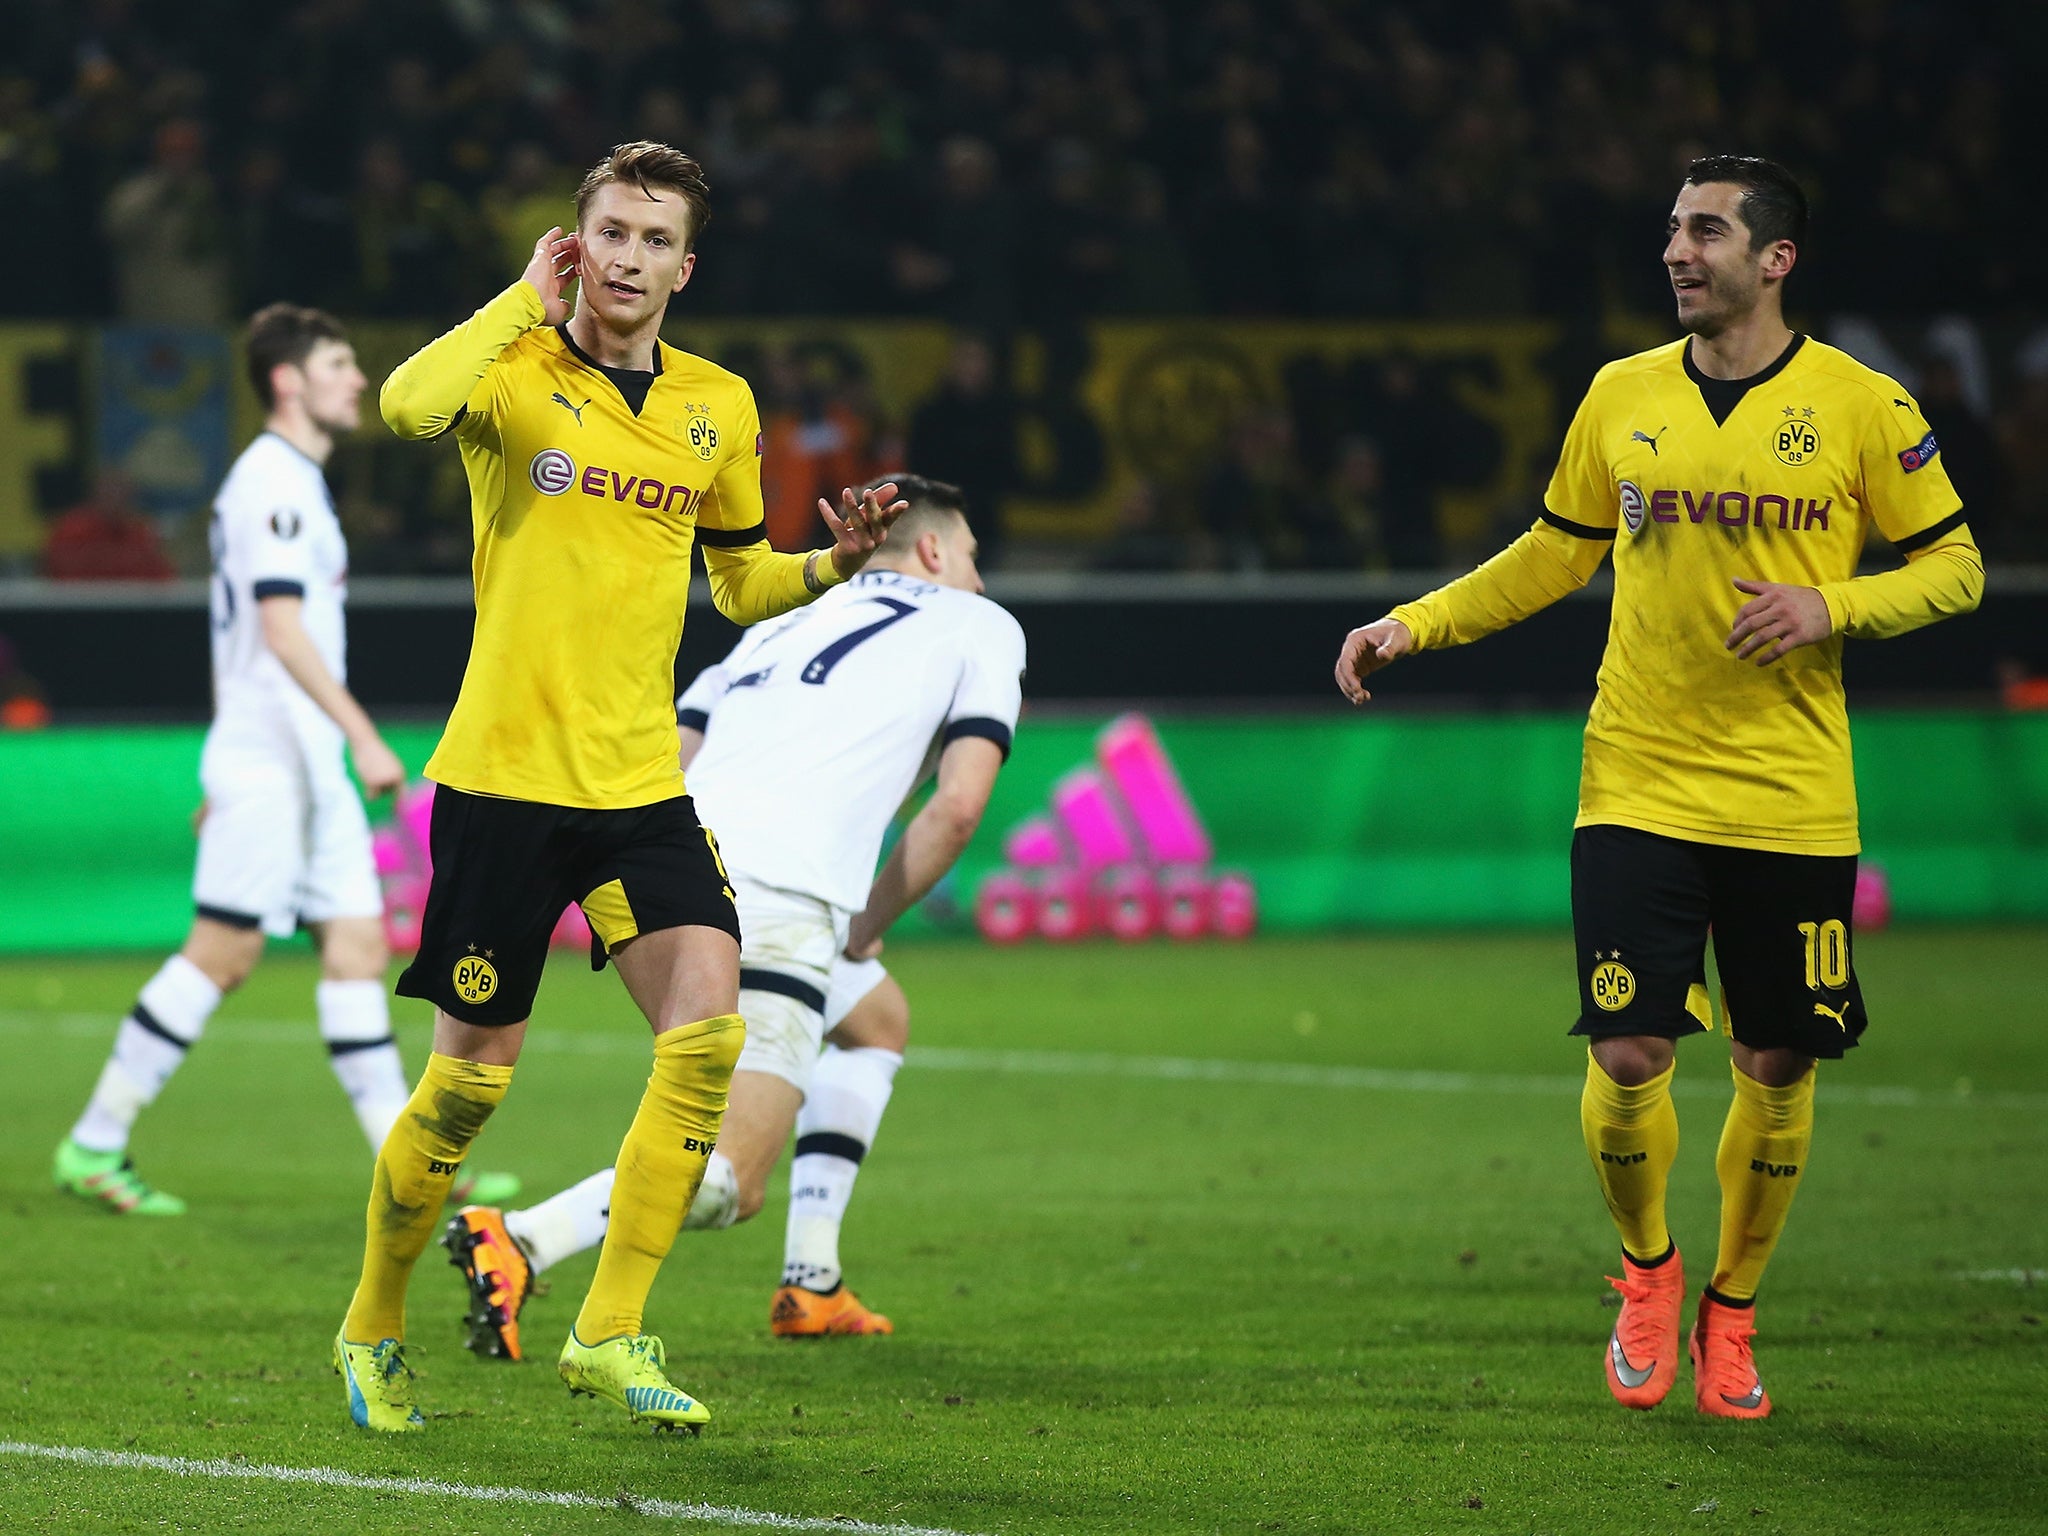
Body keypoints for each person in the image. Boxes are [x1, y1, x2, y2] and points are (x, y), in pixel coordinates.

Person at [1334, 157, 1981, 1421]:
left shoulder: (1860, 406)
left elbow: (1954, 566)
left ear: (1774, 258)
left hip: (1791, 790)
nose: (1676, 252)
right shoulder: (1619, 394)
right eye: (1670, 231)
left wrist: (1829, 604)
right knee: (1629, 1045)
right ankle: (1647, 1274)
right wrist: (1415, 624)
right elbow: (1551, 553)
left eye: (1702, 232)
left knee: (1777, 1058)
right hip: (1634, 771)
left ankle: (1729, 1314)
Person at [333, 141, 905, 1436]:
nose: (631, 258)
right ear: (573, 243)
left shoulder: (717, 403)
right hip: (502, 781)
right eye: (610, 233)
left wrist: (832, 568)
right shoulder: (512, 370)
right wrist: (513, 300)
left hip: (641, 782)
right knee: (470, 1087)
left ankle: (609, 1329)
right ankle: (371, 1322)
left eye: (655, 240)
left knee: (709, 1027)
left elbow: (740, 582)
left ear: (685, 265)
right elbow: (404, 409)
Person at [443, 475, 1022, 1358]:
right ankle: (524, 1238)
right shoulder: (980, 624)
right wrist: (861, 927)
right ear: (937, 550)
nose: (979, 580)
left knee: (875, 1021)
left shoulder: (783, 619)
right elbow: (958, 808)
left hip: (674, 876)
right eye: (974, 559)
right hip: (783, 894)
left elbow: (669, 753)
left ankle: (813, 1284)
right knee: (729, 1180)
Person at [50, 305, 470, 1213]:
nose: (358, 379)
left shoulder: (295, 484)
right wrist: (359, 734)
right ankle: (93, 1142)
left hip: (301, 760)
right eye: (340, 362)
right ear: (290, 380)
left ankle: (410, 1175)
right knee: (226, 951)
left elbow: (241, 635)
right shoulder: (270, 483)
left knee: (358, 949)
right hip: (275, 761)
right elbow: (277, 631)